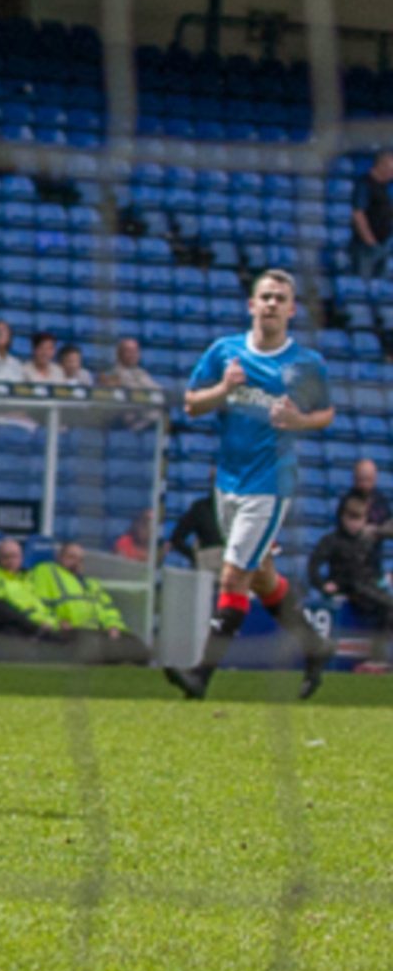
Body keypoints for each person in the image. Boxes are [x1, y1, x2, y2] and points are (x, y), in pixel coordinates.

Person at [164, 269, 335, 700]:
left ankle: (200, 675)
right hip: (228, 482)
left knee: (233, 576)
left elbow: (326, 413)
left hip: (270, 483)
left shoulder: (306, 364)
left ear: (292, 309)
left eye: (281, 298)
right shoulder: (225, 352)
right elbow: (191, 404)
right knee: (261, 577)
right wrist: (224, 388)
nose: (272, 303)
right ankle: (315, 647)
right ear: (251, 305)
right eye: (266, 296)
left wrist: (299, 420)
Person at [27, 542, 149, 664]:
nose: (76, 562)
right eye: (71, 557)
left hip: (96, 633)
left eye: (80, 559)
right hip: (70, 632)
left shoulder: (91, 584)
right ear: (59, 557)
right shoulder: (46, 572)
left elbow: (108, 609)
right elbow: (37, 604)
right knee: (94, 648)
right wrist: (56, 622)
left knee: (137, 646)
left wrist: (113, 626)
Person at [311, 492, 393, 664]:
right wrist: (323, 585)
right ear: (343, 517)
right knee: (388, 605)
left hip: (366, 587)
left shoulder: (366, 541)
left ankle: (378, 657)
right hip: (347, 587)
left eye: (359, 519)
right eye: (351, 518)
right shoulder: (331, 541)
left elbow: (373, 568)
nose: (355, 524)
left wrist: (382, 579)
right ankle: (377, 658)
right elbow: (313, 565)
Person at [351, 150, 393, 281]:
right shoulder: (365, 184)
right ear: (382, 166)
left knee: (380, 283)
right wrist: (371, 242)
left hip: (382, 244)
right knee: (363, 282)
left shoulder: (384, 187)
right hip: (366, 247)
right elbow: (358, 215)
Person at [168, 492, 225, 572]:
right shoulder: (200, 508)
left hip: (232, 565)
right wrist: (195, 556)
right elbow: (176, 538)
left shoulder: (237, 510)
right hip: (207, 565)